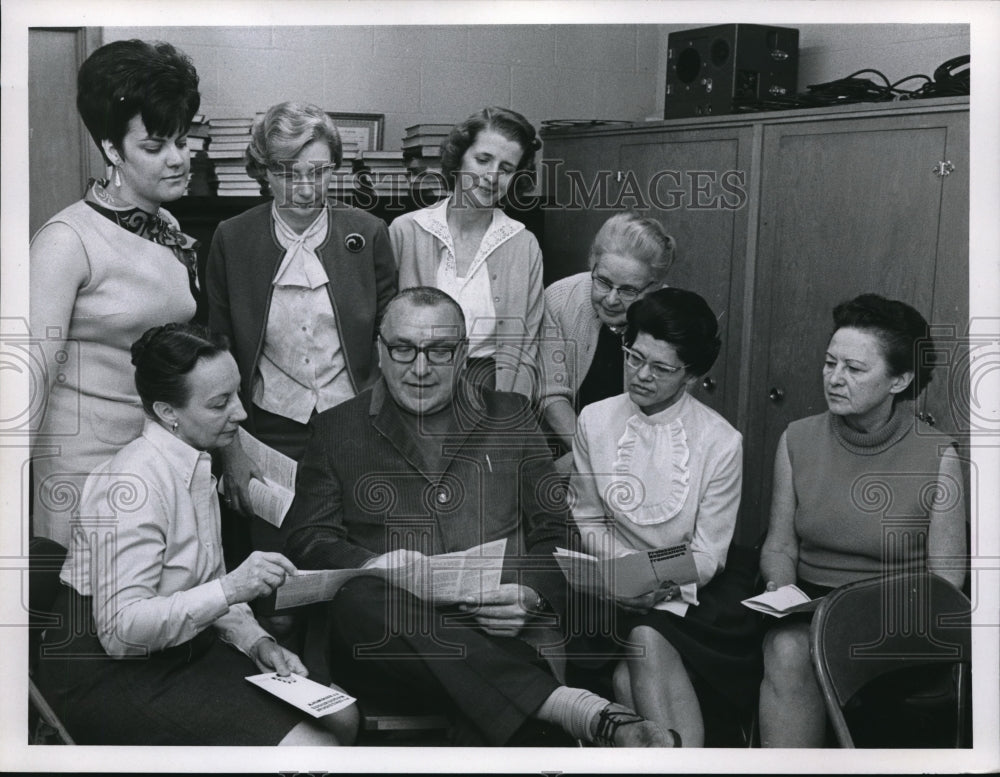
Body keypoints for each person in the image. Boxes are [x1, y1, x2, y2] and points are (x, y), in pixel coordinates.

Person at [282, 287, 680, 747]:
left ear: (464, 354)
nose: (420, 368)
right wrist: (377, 567)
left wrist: (530, 596)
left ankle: (543, 714)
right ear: (380, 349)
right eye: (403, 349)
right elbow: (307, 538)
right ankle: (570, 708)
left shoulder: (509, 416)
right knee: (361, 596)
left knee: (491, 704)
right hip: (392, 641)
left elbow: (556, 531)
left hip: (504, 627)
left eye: (439, 351)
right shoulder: (336, 428)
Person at [34, 323, 359, 745]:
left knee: (343, 716)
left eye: (237, 394)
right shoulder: (132, 485)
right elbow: (121, 632)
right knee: (314, 749)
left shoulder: (194, 461)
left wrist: (258, 641)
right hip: (107, 670)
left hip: (182, 649)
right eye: (220, 403)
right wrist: (231, 587)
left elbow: (201, 587)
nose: (241, 413)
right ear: (168, 413)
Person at [757, 294, 967, 747]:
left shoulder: (937, 456)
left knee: (809, 652)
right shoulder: (797, 439)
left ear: (899, 380)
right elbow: (779, 545)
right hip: (809, 606)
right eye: (830, 363)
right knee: (787, 649)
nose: (834, 379)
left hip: (898, 616)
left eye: (854, 369)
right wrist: (780, 592)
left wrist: (858, 618)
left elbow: (945, 581)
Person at [30, 39, 203, 548]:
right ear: (111, 150)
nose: (177, 159)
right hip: (84, 472)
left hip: (156, 460)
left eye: (182, 140)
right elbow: (27, 378)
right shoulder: (65, 242)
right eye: (154, 147)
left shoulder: (165, 224)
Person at [568, 287, 759, 747]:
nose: (641, 375)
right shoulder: (594, 420)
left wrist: (652, 579)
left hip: (695, 595)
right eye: (634, 357)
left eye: (662, 367)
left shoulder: (720, 441)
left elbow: (709, 553)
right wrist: (623, 574)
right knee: (626, 672)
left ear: (691, 375)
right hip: (610, 584)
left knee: (643, 645)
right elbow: (589, 519)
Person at [205, 100, 397, 556]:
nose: (306, 188)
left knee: (354, 563)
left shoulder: (368, 232)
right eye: (288, 172)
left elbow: (390, 340)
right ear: (263, 171)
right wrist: (230, 449)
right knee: (277, 576)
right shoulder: (232, 238)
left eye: (319, 171)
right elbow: (219, 349)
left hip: (357, 425)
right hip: (269, 431)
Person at [389, 107, 543, 398]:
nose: (492, 176)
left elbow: (526, 348)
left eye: (507, 169)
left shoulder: (524, 245)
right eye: (483, 160)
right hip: (412, 386)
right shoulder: (405, 231)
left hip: (492, 392)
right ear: (458, 158)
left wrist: (507, 415)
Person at [540, 212, 675, 465]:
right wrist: (594, 459)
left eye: (628, 290)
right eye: (603, 281)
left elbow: (664, 412)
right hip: (561, 450)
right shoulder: (559, 299)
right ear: (592, 264)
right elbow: (551, 396)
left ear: (655, 287)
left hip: (639, 455)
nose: (611, 299)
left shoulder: (671, 319)